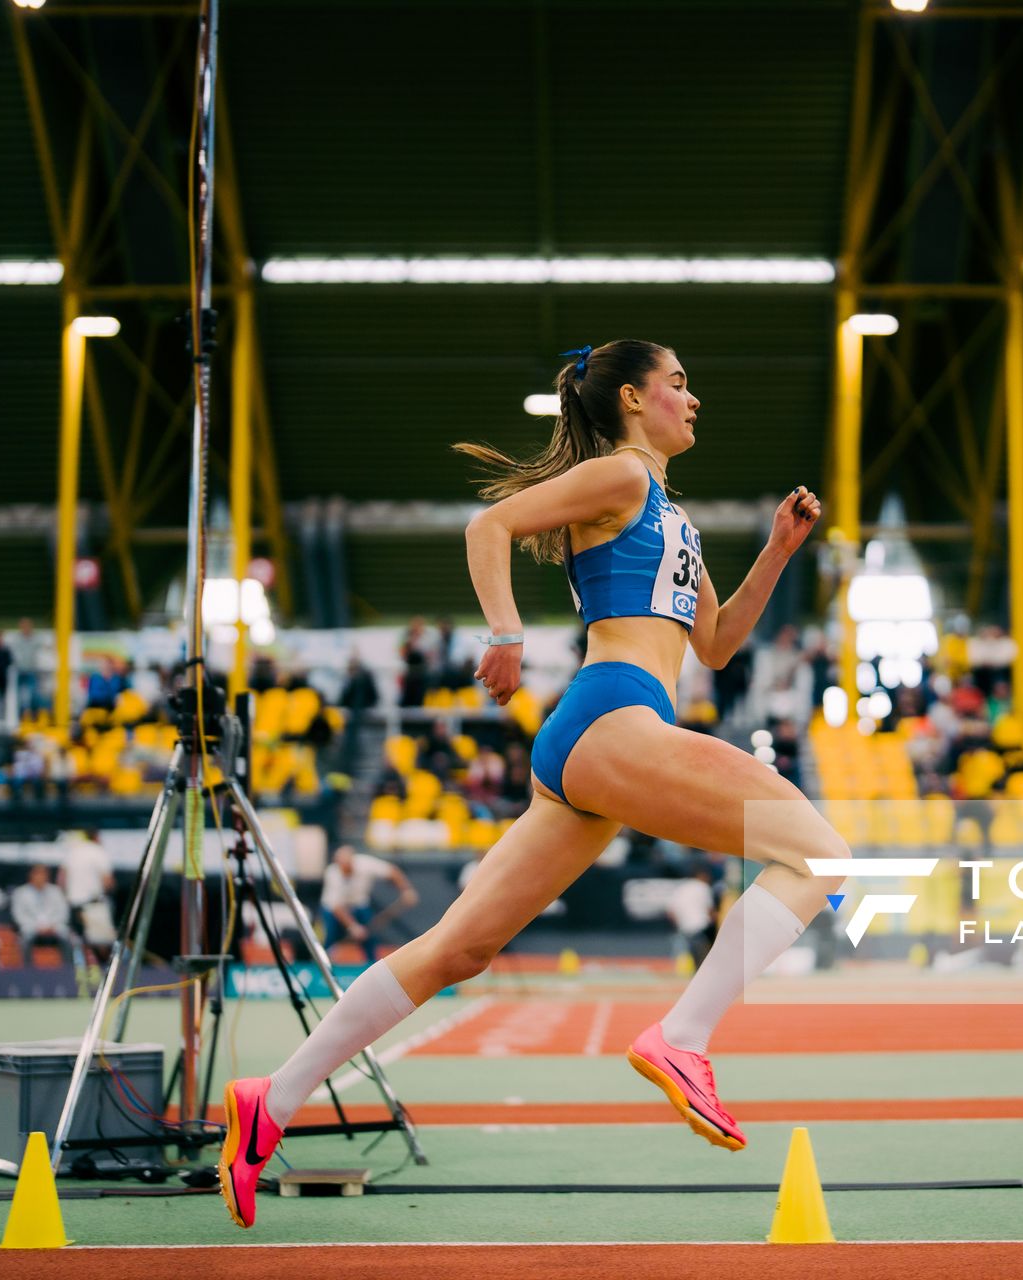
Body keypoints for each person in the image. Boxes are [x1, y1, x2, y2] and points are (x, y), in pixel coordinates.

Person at [217, 340, 836, 1229]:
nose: (693, 400)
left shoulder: (675, 517)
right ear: (632, 398)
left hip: (598, 743)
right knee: (821, 854)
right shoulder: (622, 478)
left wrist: (778, 551)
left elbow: (716, 647)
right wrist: (503, 632)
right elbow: (488, 525)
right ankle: (683, 1038)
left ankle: (270, 1100)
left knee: (456, 951)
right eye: (678, 383)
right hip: (613, 715)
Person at [318, 845, 418, 958]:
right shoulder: (333, 874)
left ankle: (371, 963)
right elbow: (336, 907)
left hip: (359, 905)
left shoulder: (365, 863)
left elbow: (391, 871)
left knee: (369, 937)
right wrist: (353, 926)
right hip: (334, 911)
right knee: (330, 937)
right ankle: (324, 962)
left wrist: (406, 890)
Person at [58, 829, 116, 962]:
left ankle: (82, 972)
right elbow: (108, 881)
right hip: (94, 906)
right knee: (103, 944)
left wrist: (69, 898)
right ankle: (107, 974)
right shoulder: (98, 851)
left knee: (80, 943)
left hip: (74, 906)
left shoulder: (72, 852)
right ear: (95, 837)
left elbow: (61, 880)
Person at [9, 864, 71, 960]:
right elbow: (19, 915)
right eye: (37, 874)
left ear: (47, 876)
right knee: (24, 940)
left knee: (69, 939)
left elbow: (63, 913)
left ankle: (68, 971)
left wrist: (51, 926)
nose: (40, 877)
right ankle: (27, 972)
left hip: (54, 927)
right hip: (31, 928)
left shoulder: (56, 891)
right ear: (31, 875)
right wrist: (37, 927)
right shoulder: (21, 892)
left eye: (43, 874)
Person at [668, 861, 719, 969]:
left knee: (687, 955)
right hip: (700, 928)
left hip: (685, 928)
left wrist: (680, 924)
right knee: (702, 959)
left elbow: (671, 912)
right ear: (702, 875)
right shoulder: (702, 887)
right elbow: (709, 911)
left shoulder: (681, 888)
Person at [12, 618, 42, 719]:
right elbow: (14, 654)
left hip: (31, 671)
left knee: (33, 696)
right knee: (20, 698)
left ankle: (33, 717)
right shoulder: (16, 639)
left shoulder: (36, 639)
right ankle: (20, 718)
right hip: (20, 671)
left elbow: (43, 649)